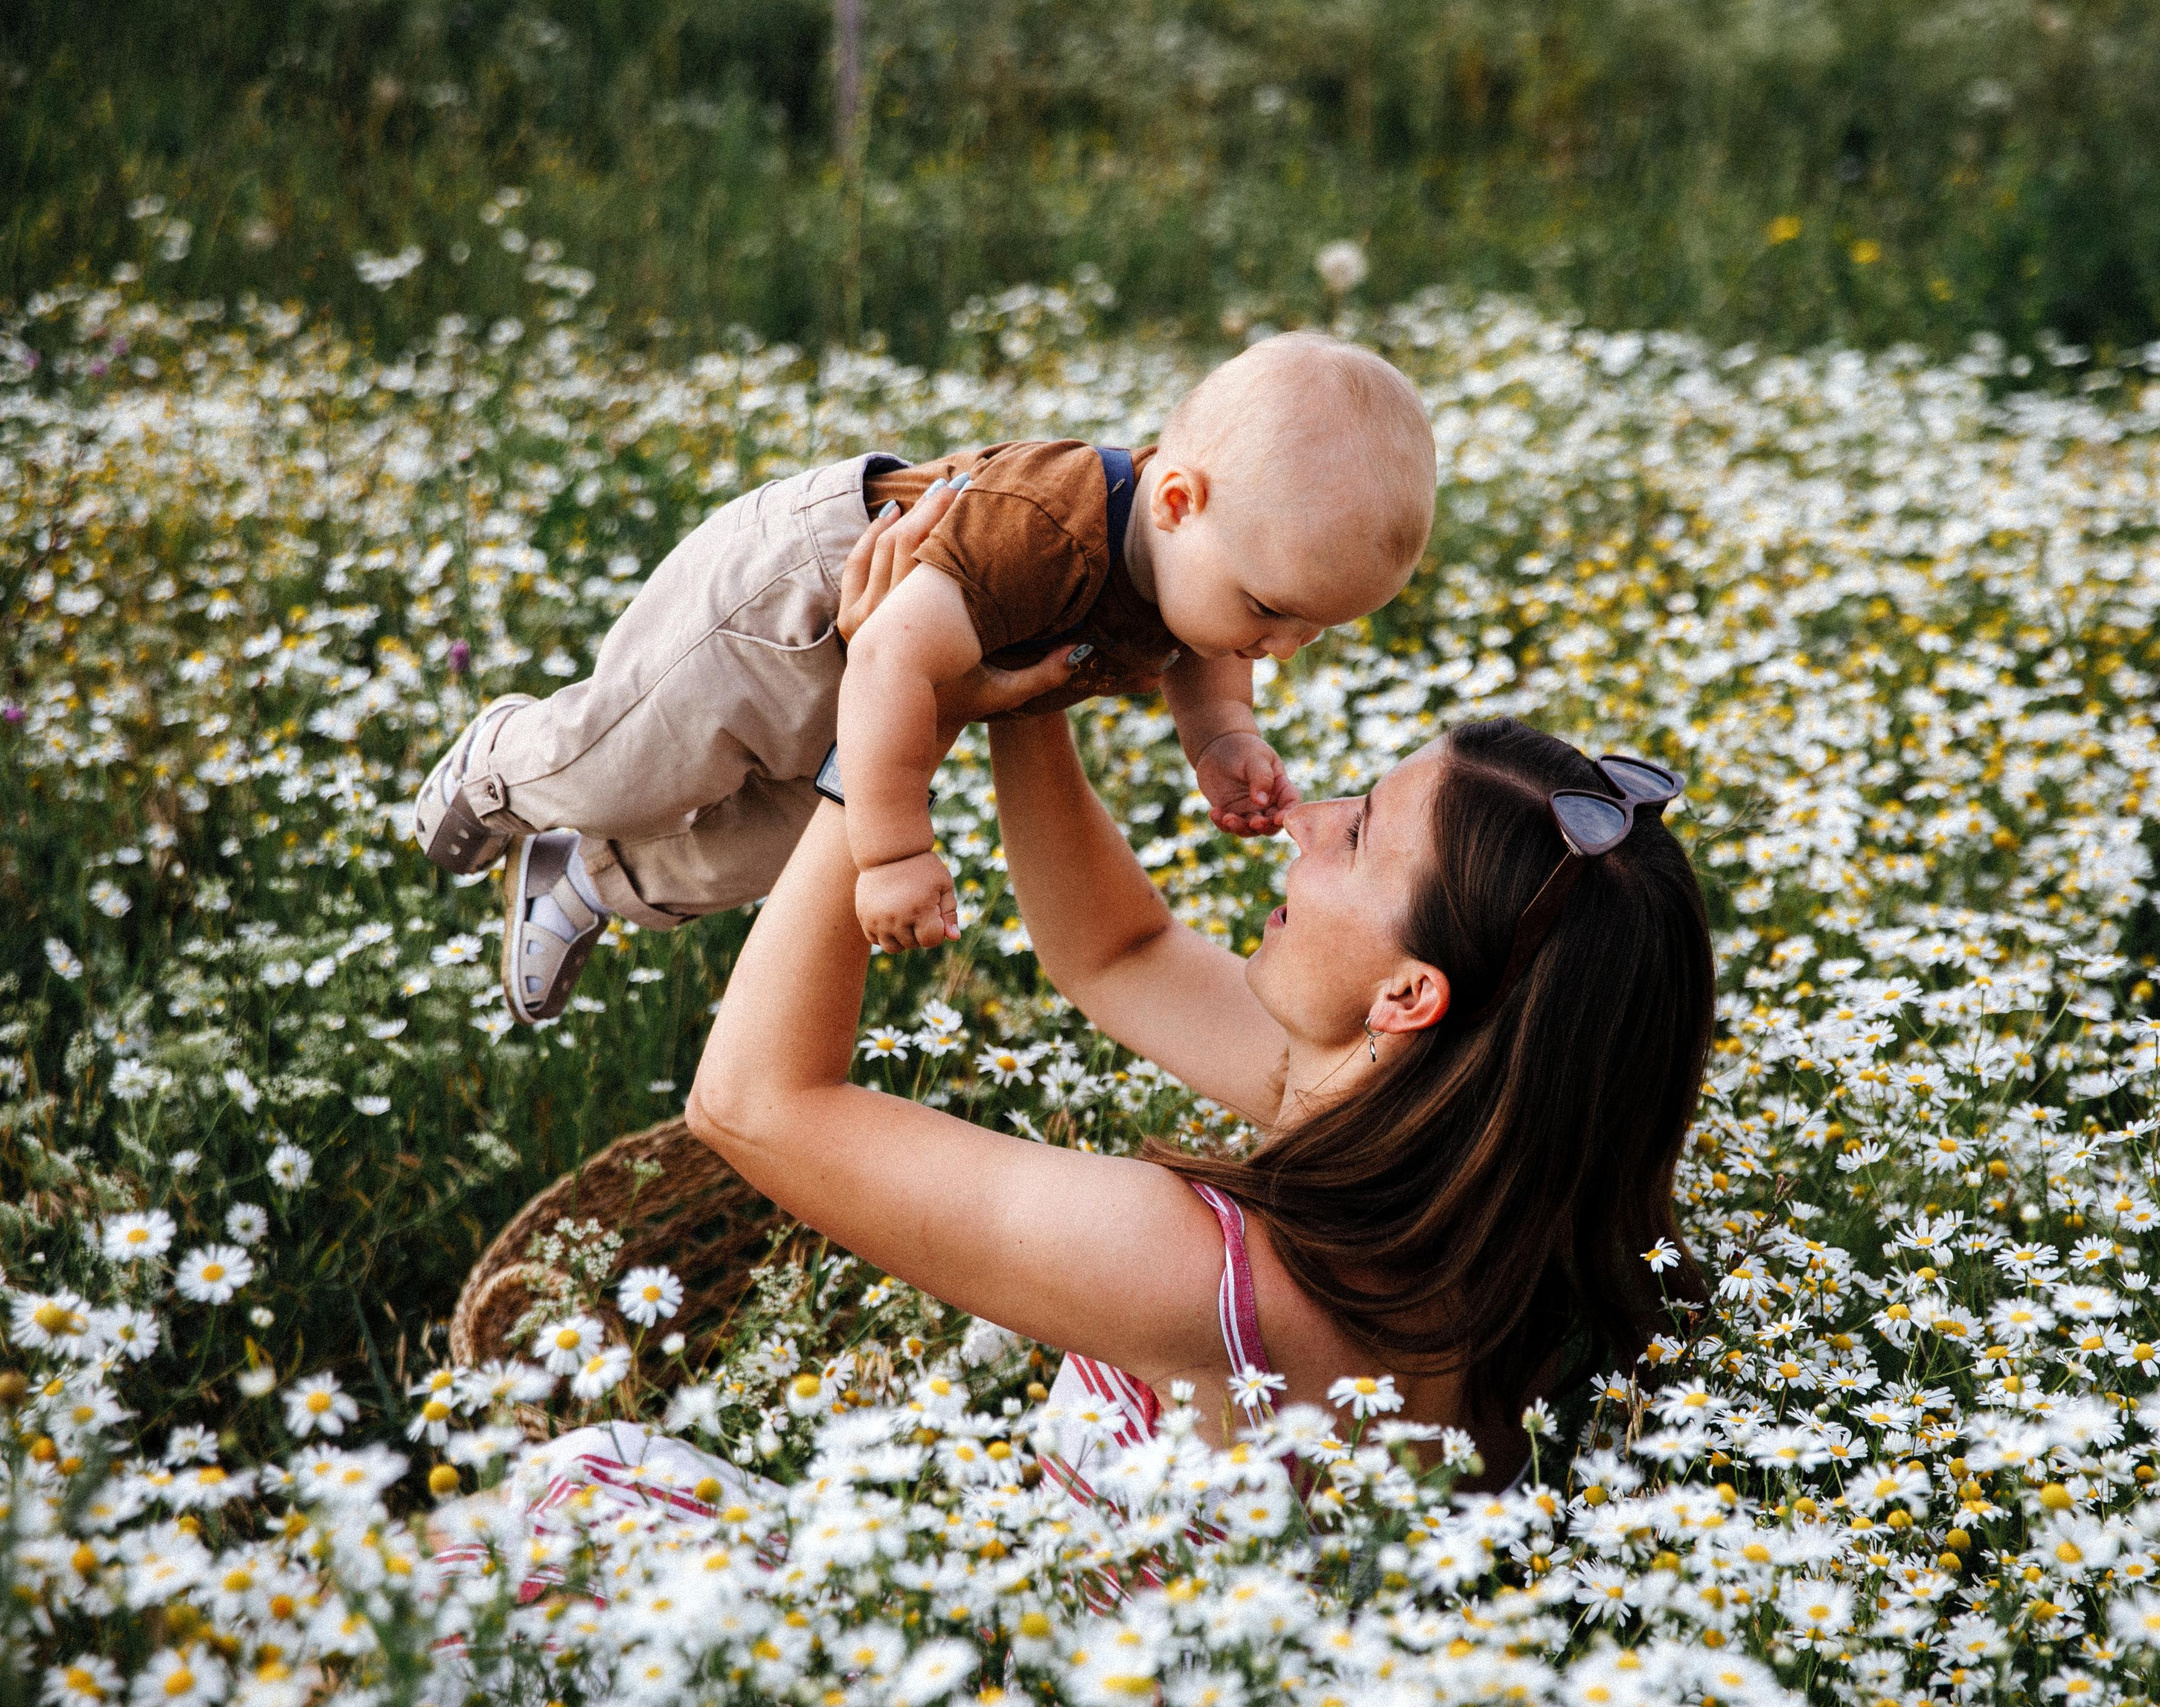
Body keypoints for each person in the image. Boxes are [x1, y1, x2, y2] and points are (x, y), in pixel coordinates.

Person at [663, 494, 1720, 1498]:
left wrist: (883, 737)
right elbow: (1118, 953)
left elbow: (754, 1104)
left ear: (1406, 995)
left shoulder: (1209, 1284)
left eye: (1356, 837)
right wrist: (1022, 652)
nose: (1308, 821)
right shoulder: (1484, 1211)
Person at [408, 331, 1439, 1023]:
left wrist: (1220, 740)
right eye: (1270, 610)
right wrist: (897, 851)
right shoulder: (1051, 529)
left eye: (1315, 629)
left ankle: (580, 877)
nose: (1281, 646)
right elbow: (896, 648)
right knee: (637, 766)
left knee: (775, 843)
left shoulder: (1204, 567)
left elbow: (1204, 653)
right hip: (801, 600)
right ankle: (503, 763)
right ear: (1174, 501)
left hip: (904, 680)